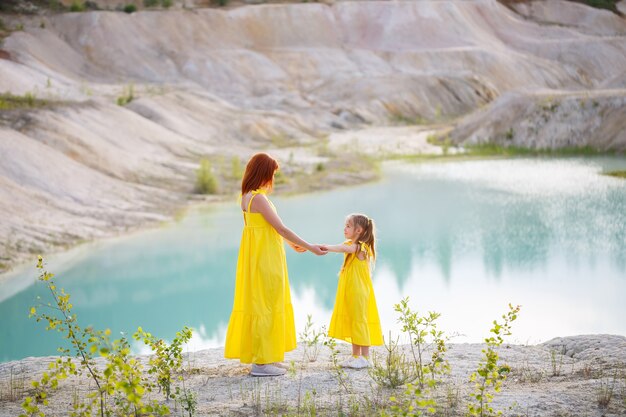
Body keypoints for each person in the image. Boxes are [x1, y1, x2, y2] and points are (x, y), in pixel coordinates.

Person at [224, 153, 326, 377]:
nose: (273, 178)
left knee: (265, 302)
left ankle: (267, 357)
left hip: (259, 256)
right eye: (272, 174)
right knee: (266, 304)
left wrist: (291, 244)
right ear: (263, 173)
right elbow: (281, 228)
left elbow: (270, 229)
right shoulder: (258, 199)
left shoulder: (247, 196)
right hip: (265, 259)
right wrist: (310, 247)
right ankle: (261, 364)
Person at [324, 213, 383, 369]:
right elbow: (345, 246)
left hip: (359, 292)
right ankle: (355, 356)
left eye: (348, 226)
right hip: (351, 291)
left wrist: (325, 247)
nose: (345, 228)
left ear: (359, 230)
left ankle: (366, 357)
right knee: (353, 322)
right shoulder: (351, 245)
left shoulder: (360, 248)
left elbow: (344, 248)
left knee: (359, 322)